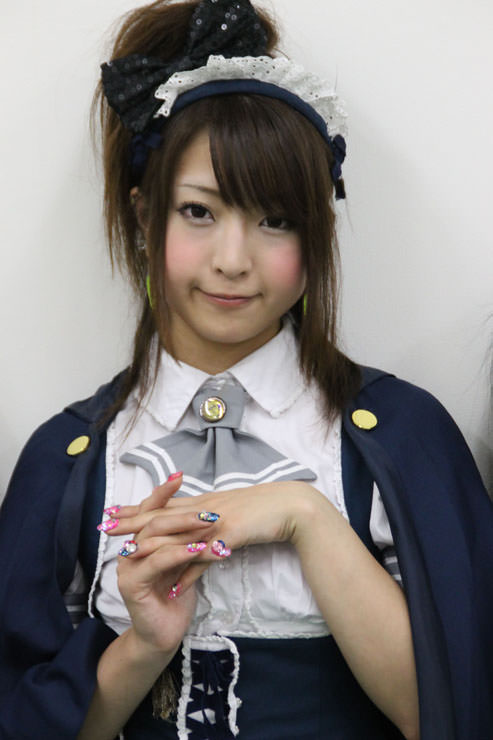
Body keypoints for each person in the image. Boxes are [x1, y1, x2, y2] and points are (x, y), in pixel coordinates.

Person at [0, 1, 492, 738]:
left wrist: (304, 517)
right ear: (144, 217)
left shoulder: (405, 435)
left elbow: (455, 709)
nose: (233, 260)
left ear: (316, 233)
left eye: (275, 220)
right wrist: (143, 644)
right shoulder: (66, 459)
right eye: (199, 212)